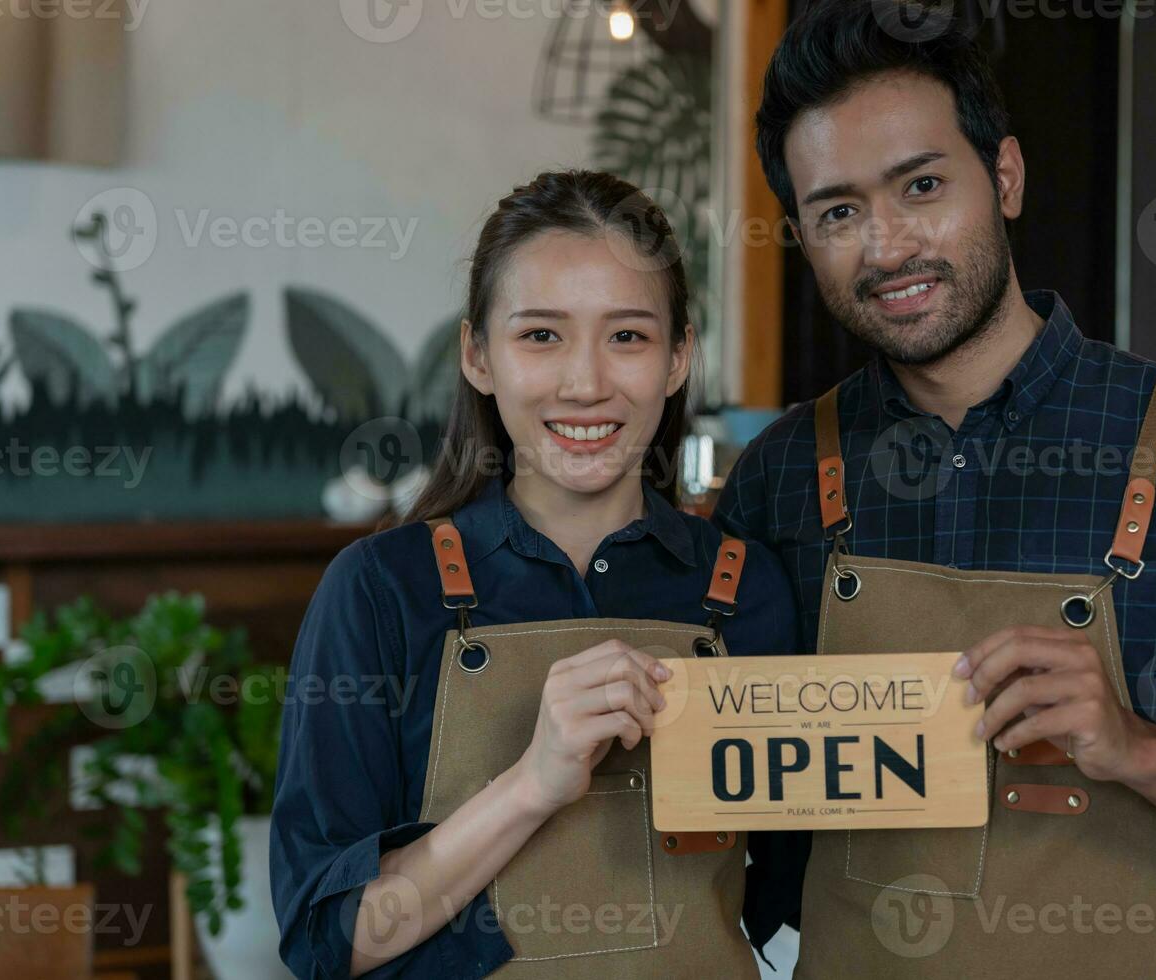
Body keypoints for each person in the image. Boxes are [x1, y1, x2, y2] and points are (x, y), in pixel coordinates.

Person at [715, 3, 1156, 977]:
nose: (886, 246)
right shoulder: (782, 474)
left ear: (1004, 175)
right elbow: (724, 801)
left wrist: (1140, 745)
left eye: (921, 185)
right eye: (838, 211)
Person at [270, 170, 801, 979]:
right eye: (541, 336)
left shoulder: (751, 590)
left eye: (627, 336)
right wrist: (531, 783)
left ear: (678, 357)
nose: (585, 383)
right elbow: (327, 939)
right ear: (478, 355)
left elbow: (784, 900)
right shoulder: (380, 590)